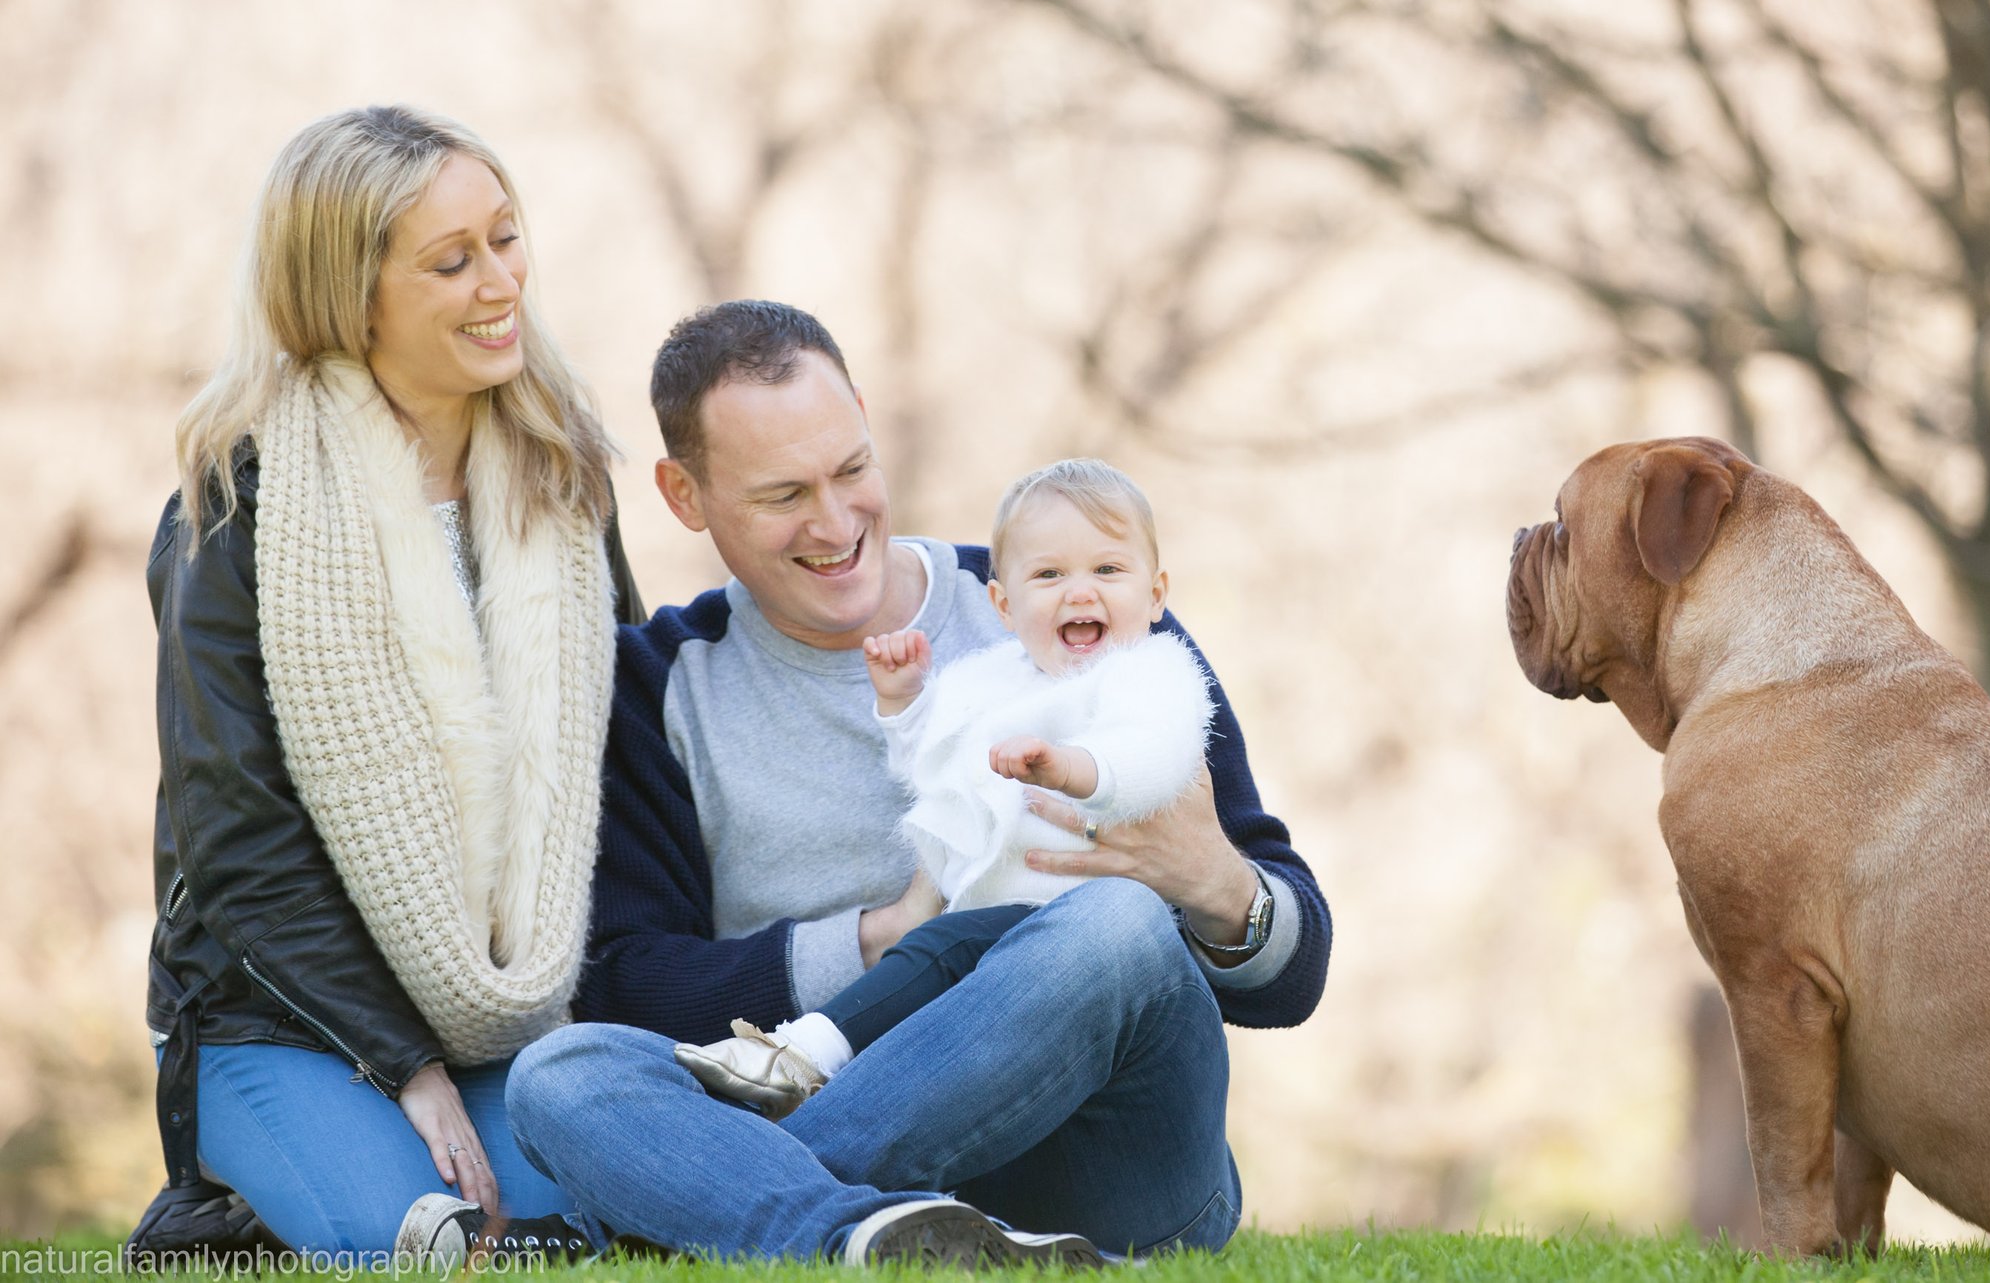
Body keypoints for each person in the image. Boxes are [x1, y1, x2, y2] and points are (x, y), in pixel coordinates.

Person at [494, 300, 1331, 1268]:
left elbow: (1293, 979)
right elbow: (626, 983)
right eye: (782, 495)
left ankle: (731, 1200)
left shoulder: (1064, 598)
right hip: (825, 1082)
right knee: (561, 1071)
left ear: (863, 410)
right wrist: (878, 939)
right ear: (687, 495)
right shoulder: (656, 688)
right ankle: (863, 1234)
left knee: (1118, 927)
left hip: (1105, 1157)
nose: (837, 521)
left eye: (851, 469)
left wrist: (1215, 882)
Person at [136, 106, 642, 1266]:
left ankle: (282, 1210)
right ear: (347, 297)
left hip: (514, 1004)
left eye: (505, 239)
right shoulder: (236, 508)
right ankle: (247, 1196)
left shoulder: (562, 480)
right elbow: (238, 836)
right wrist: (403, 1066)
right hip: (283, 1015)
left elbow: (617, 760)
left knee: (582, 1231)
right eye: (451, 261)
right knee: (426, 1242)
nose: (498, 281)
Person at [671, 456, 1216, 1116]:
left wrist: (1072, 768)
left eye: (1107, 570)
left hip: (1091, 945)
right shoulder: (994, 677)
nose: (1079, 592)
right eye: (1049, 574)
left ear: (1157, 594)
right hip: (993, 936)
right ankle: (813, 1115)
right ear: (1004, 605)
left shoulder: (1151, 674)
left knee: (935, 948)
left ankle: (801, 1055)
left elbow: (1155, 759)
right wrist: (904, 706)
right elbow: (935, 768)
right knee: (934, 977)